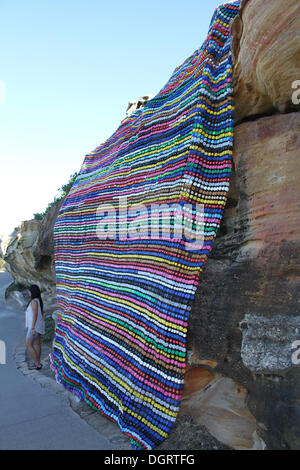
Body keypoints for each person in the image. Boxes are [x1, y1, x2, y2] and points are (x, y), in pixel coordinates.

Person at [25, 284, 45, 370]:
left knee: (29, 345)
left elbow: (35, 315)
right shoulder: (38, 300)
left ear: (32, 292)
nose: (28, 292)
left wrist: (32, 328)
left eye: (29, 291)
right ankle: (38, 362)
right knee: (37, 344)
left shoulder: (34, 302)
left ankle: (37, 364)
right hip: (38, 325)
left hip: (34, 327)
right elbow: (42, 313)